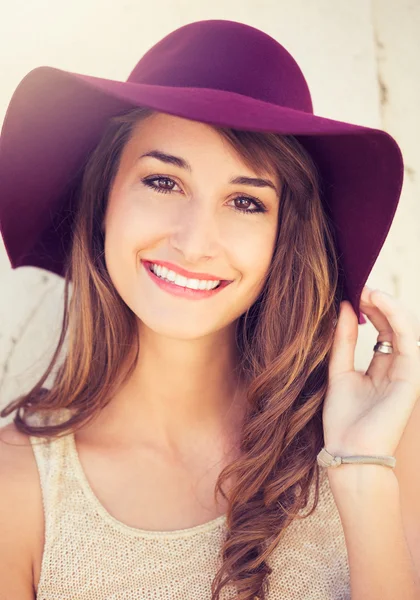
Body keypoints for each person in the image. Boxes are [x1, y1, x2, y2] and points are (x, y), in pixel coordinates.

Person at [0, 19, 419, 600]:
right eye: (164, 182)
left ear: (283, 238)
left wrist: (363, 468)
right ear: (104, 202)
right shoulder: (17, 488)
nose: (196, 242)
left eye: (245, 201)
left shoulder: (387, 439)